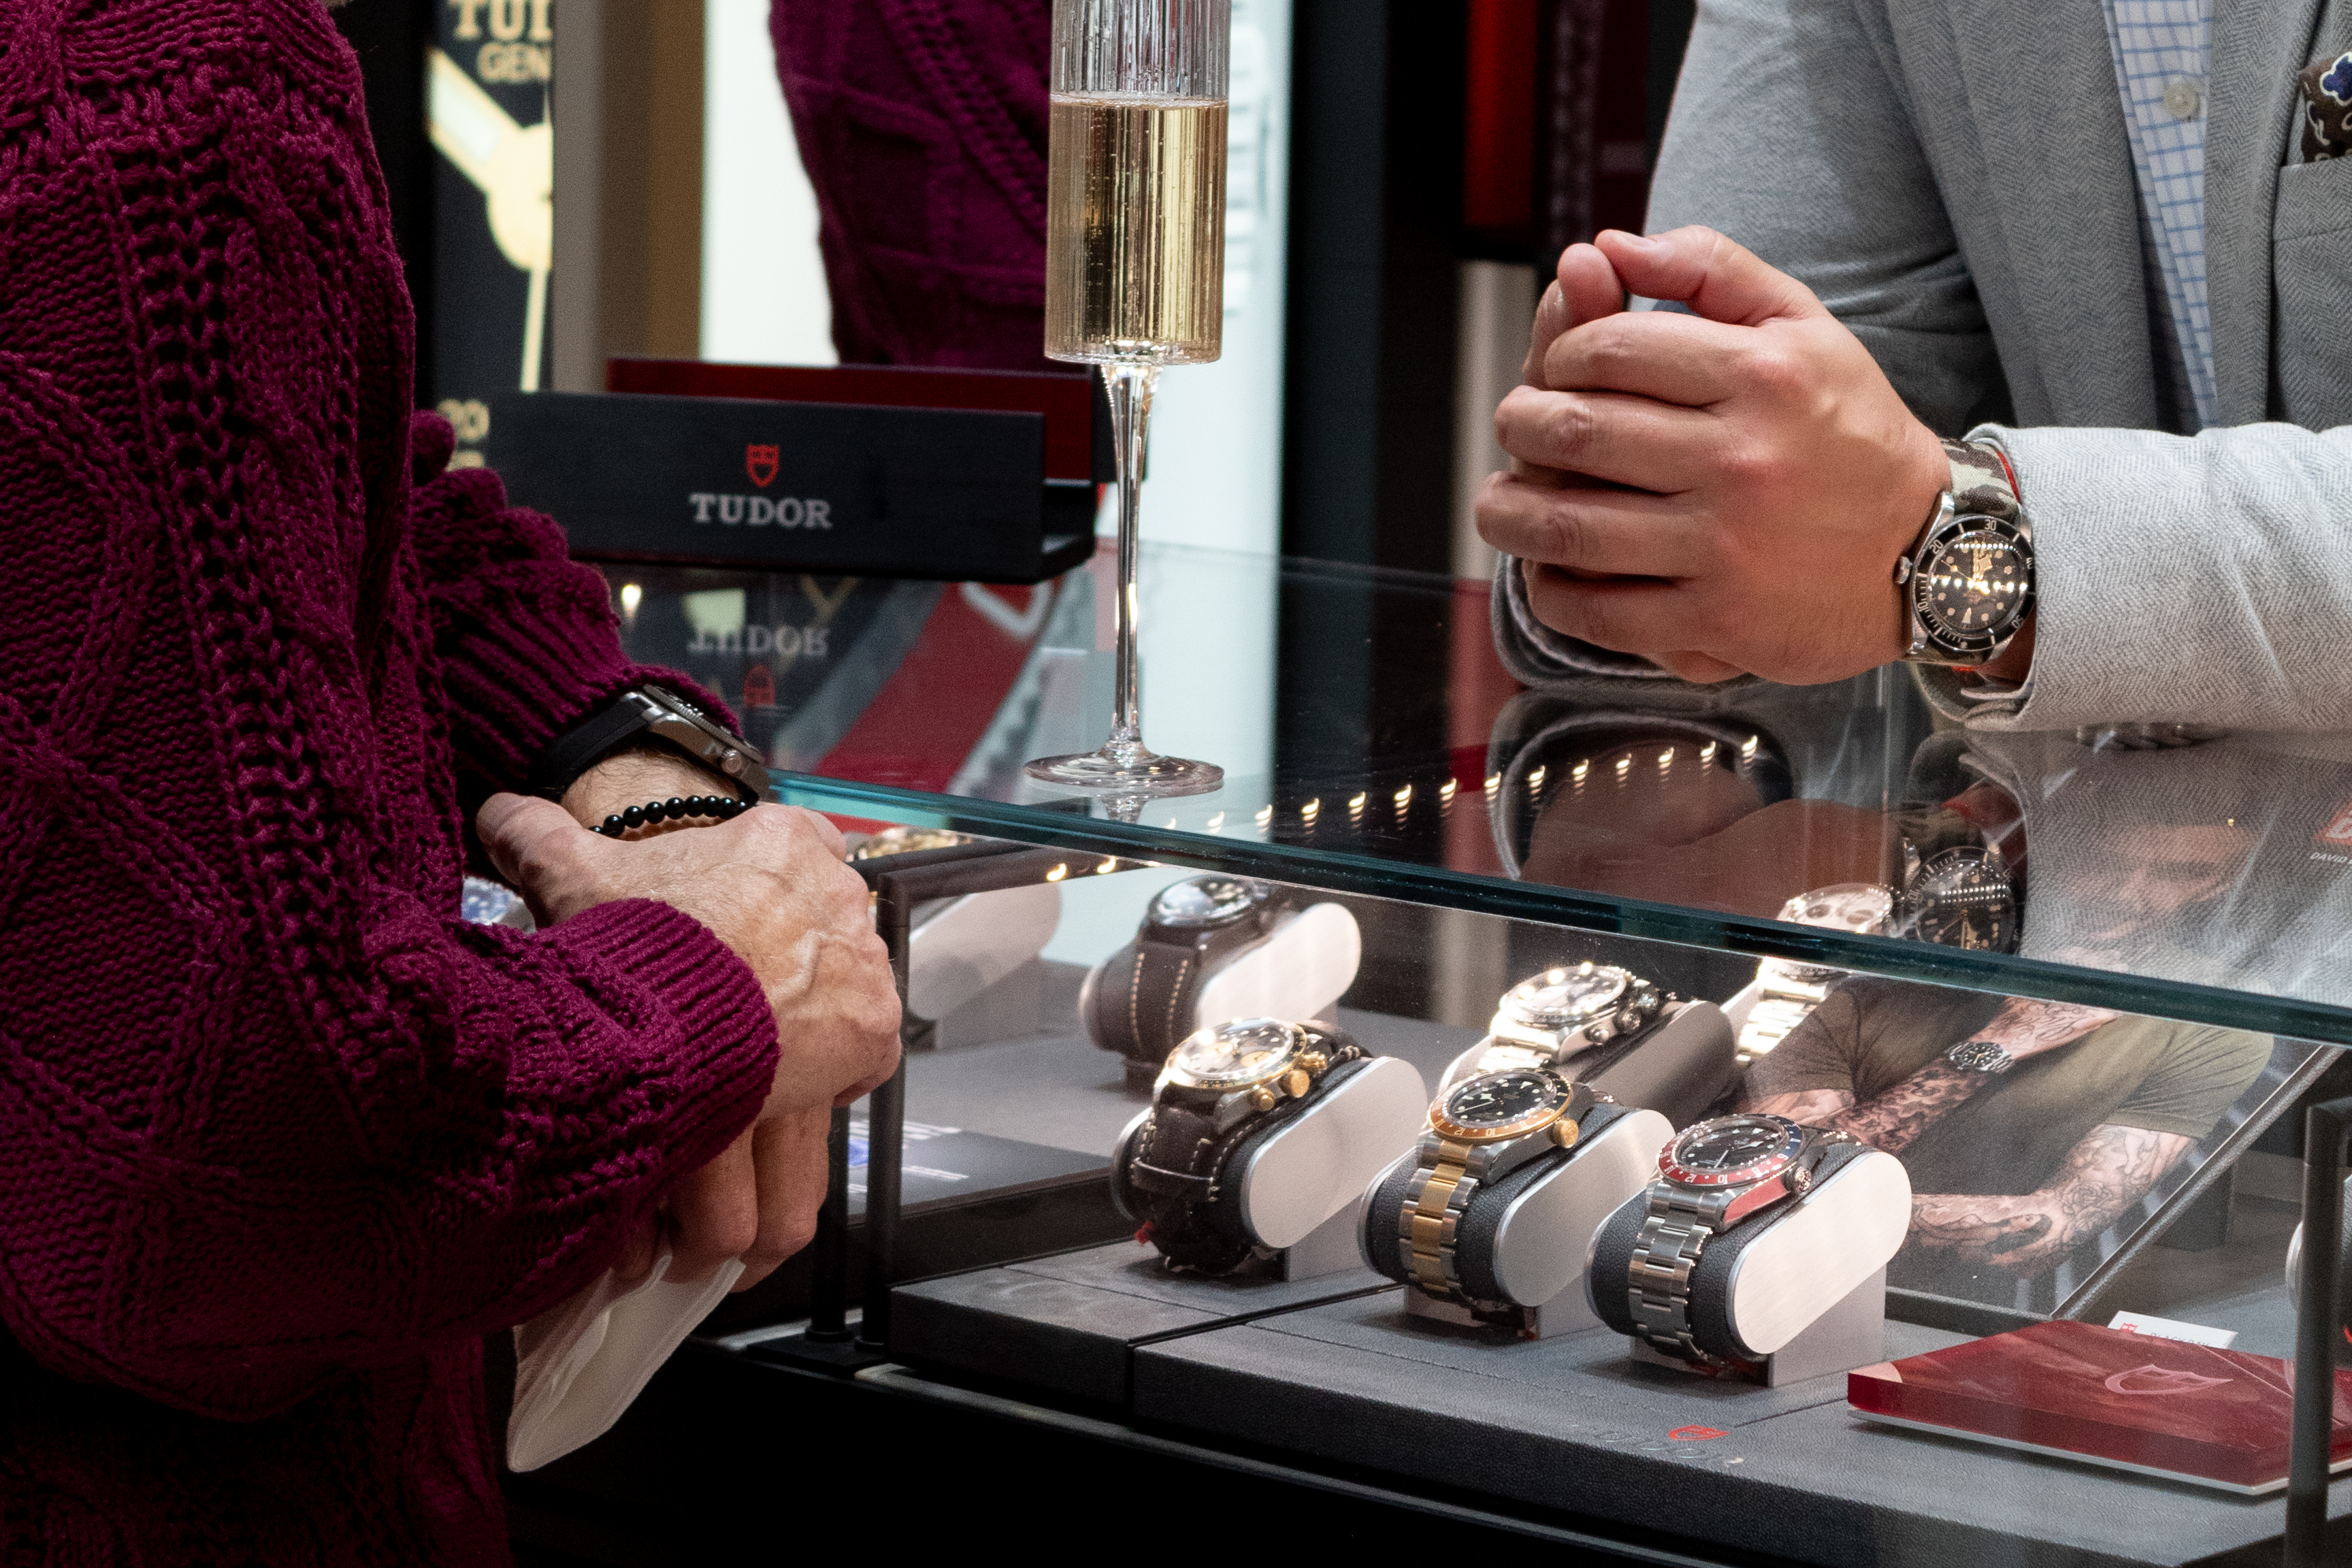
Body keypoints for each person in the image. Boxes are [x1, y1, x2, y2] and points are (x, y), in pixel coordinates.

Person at [0, 1, 900, 1559]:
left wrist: (629, 766)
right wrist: (717, 983)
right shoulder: (158, 81)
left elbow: (317, 485)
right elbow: (230, 1178)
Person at [1480, 0, 2352, 733]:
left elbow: (1882, 521)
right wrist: (1641, 524)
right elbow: (1779, 460)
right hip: (2060, 886)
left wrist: (1957, 550)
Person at [1741, 985, 2269, 1286]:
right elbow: (1755, 1182)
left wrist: (1798, 1210)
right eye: (2103, 867)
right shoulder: (1886, 986)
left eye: (2179, 875)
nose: (2125, 892)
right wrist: (1997, 1046)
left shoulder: (2212, 1023)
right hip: (1758, 1280)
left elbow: (2049, 1231)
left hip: (1938, 1314)